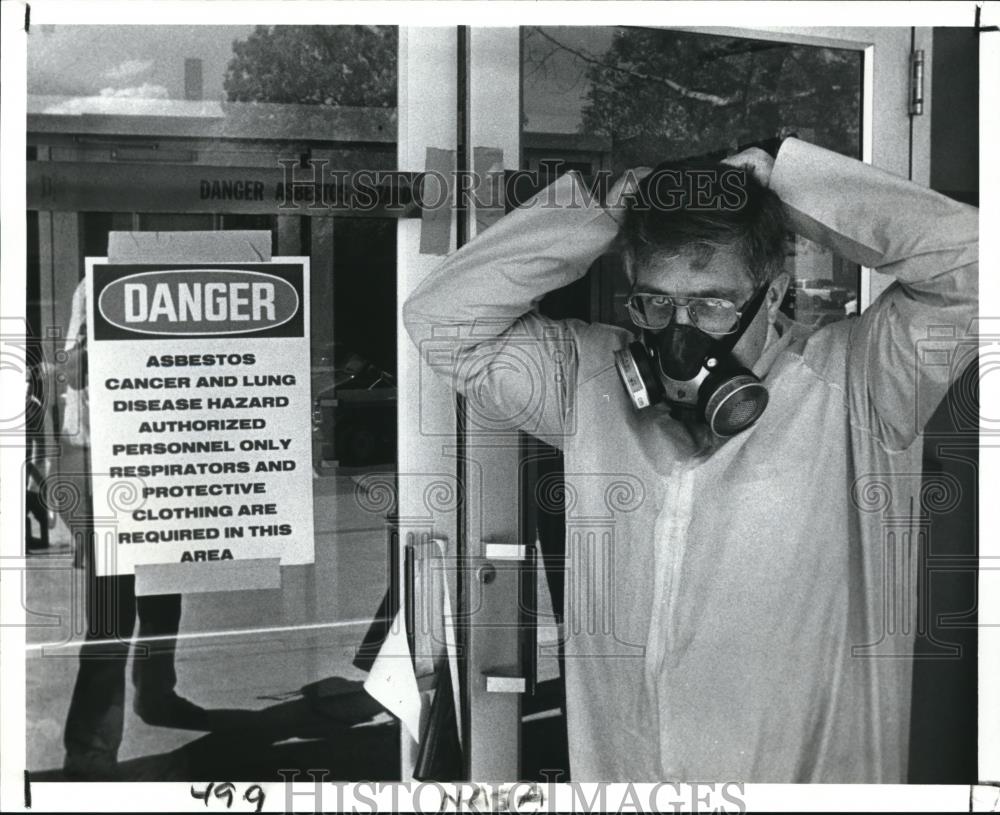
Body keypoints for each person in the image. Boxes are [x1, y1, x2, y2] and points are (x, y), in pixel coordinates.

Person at [402, 138, 978, 782]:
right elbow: (443, 316)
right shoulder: (590, 385)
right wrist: (611, 203)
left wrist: (791, 181)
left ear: (775, 293)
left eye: (710, 304)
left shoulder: (860, 386)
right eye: (656, 303)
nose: (680, 333)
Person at [57, 279, 208, 779]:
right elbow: (73, 373)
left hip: (156, 468)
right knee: (111, 618)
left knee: (164, 600)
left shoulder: (169, 291)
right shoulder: (96, 288)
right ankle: (90, 748)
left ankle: (157, 697)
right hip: (105, 471)